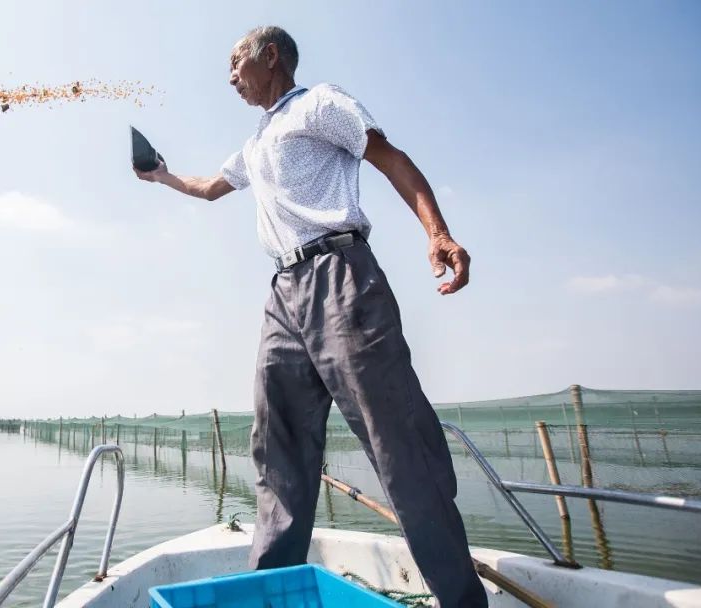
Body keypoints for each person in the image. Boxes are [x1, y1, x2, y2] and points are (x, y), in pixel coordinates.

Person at [134, 25, 487, 608]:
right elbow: (210, 187)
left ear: (270, 57)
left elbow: (389, 156)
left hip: (342, 278)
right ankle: (269, 592)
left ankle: (462, 600)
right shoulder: (255, 142)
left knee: (398, 446)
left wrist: (438, 232)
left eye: (235, 63)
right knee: (279, 450)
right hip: (283, 293)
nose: (228, 78)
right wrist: (162, 175)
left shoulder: (320, 104)